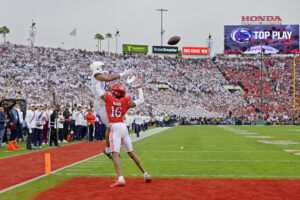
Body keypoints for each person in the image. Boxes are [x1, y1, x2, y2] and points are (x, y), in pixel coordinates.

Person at [99, 82, 152, 187]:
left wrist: (103, 81)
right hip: (123, 127)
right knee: (131, 153)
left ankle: (121, 178)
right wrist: (139, 87)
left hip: (114, 127)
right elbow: (141, 100)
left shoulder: (109, 98)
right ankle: (145, 174)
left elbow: (101, 91)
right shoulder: (125, 100)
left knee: (115, 154)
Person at [90, 61, 134, 159]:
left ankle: (108, 148)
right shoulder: (96, 75)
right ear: (97, 67)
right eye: (102, 66)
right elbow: (107, 78)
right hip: (100, 103)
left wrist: (125, 84)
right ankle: (109, 149)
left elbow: (113, 90)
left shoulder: (102, 79)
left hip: (104, 101)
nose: (104, 68)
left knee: (111, 125)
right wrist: (123, 74)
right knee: (111, 124)